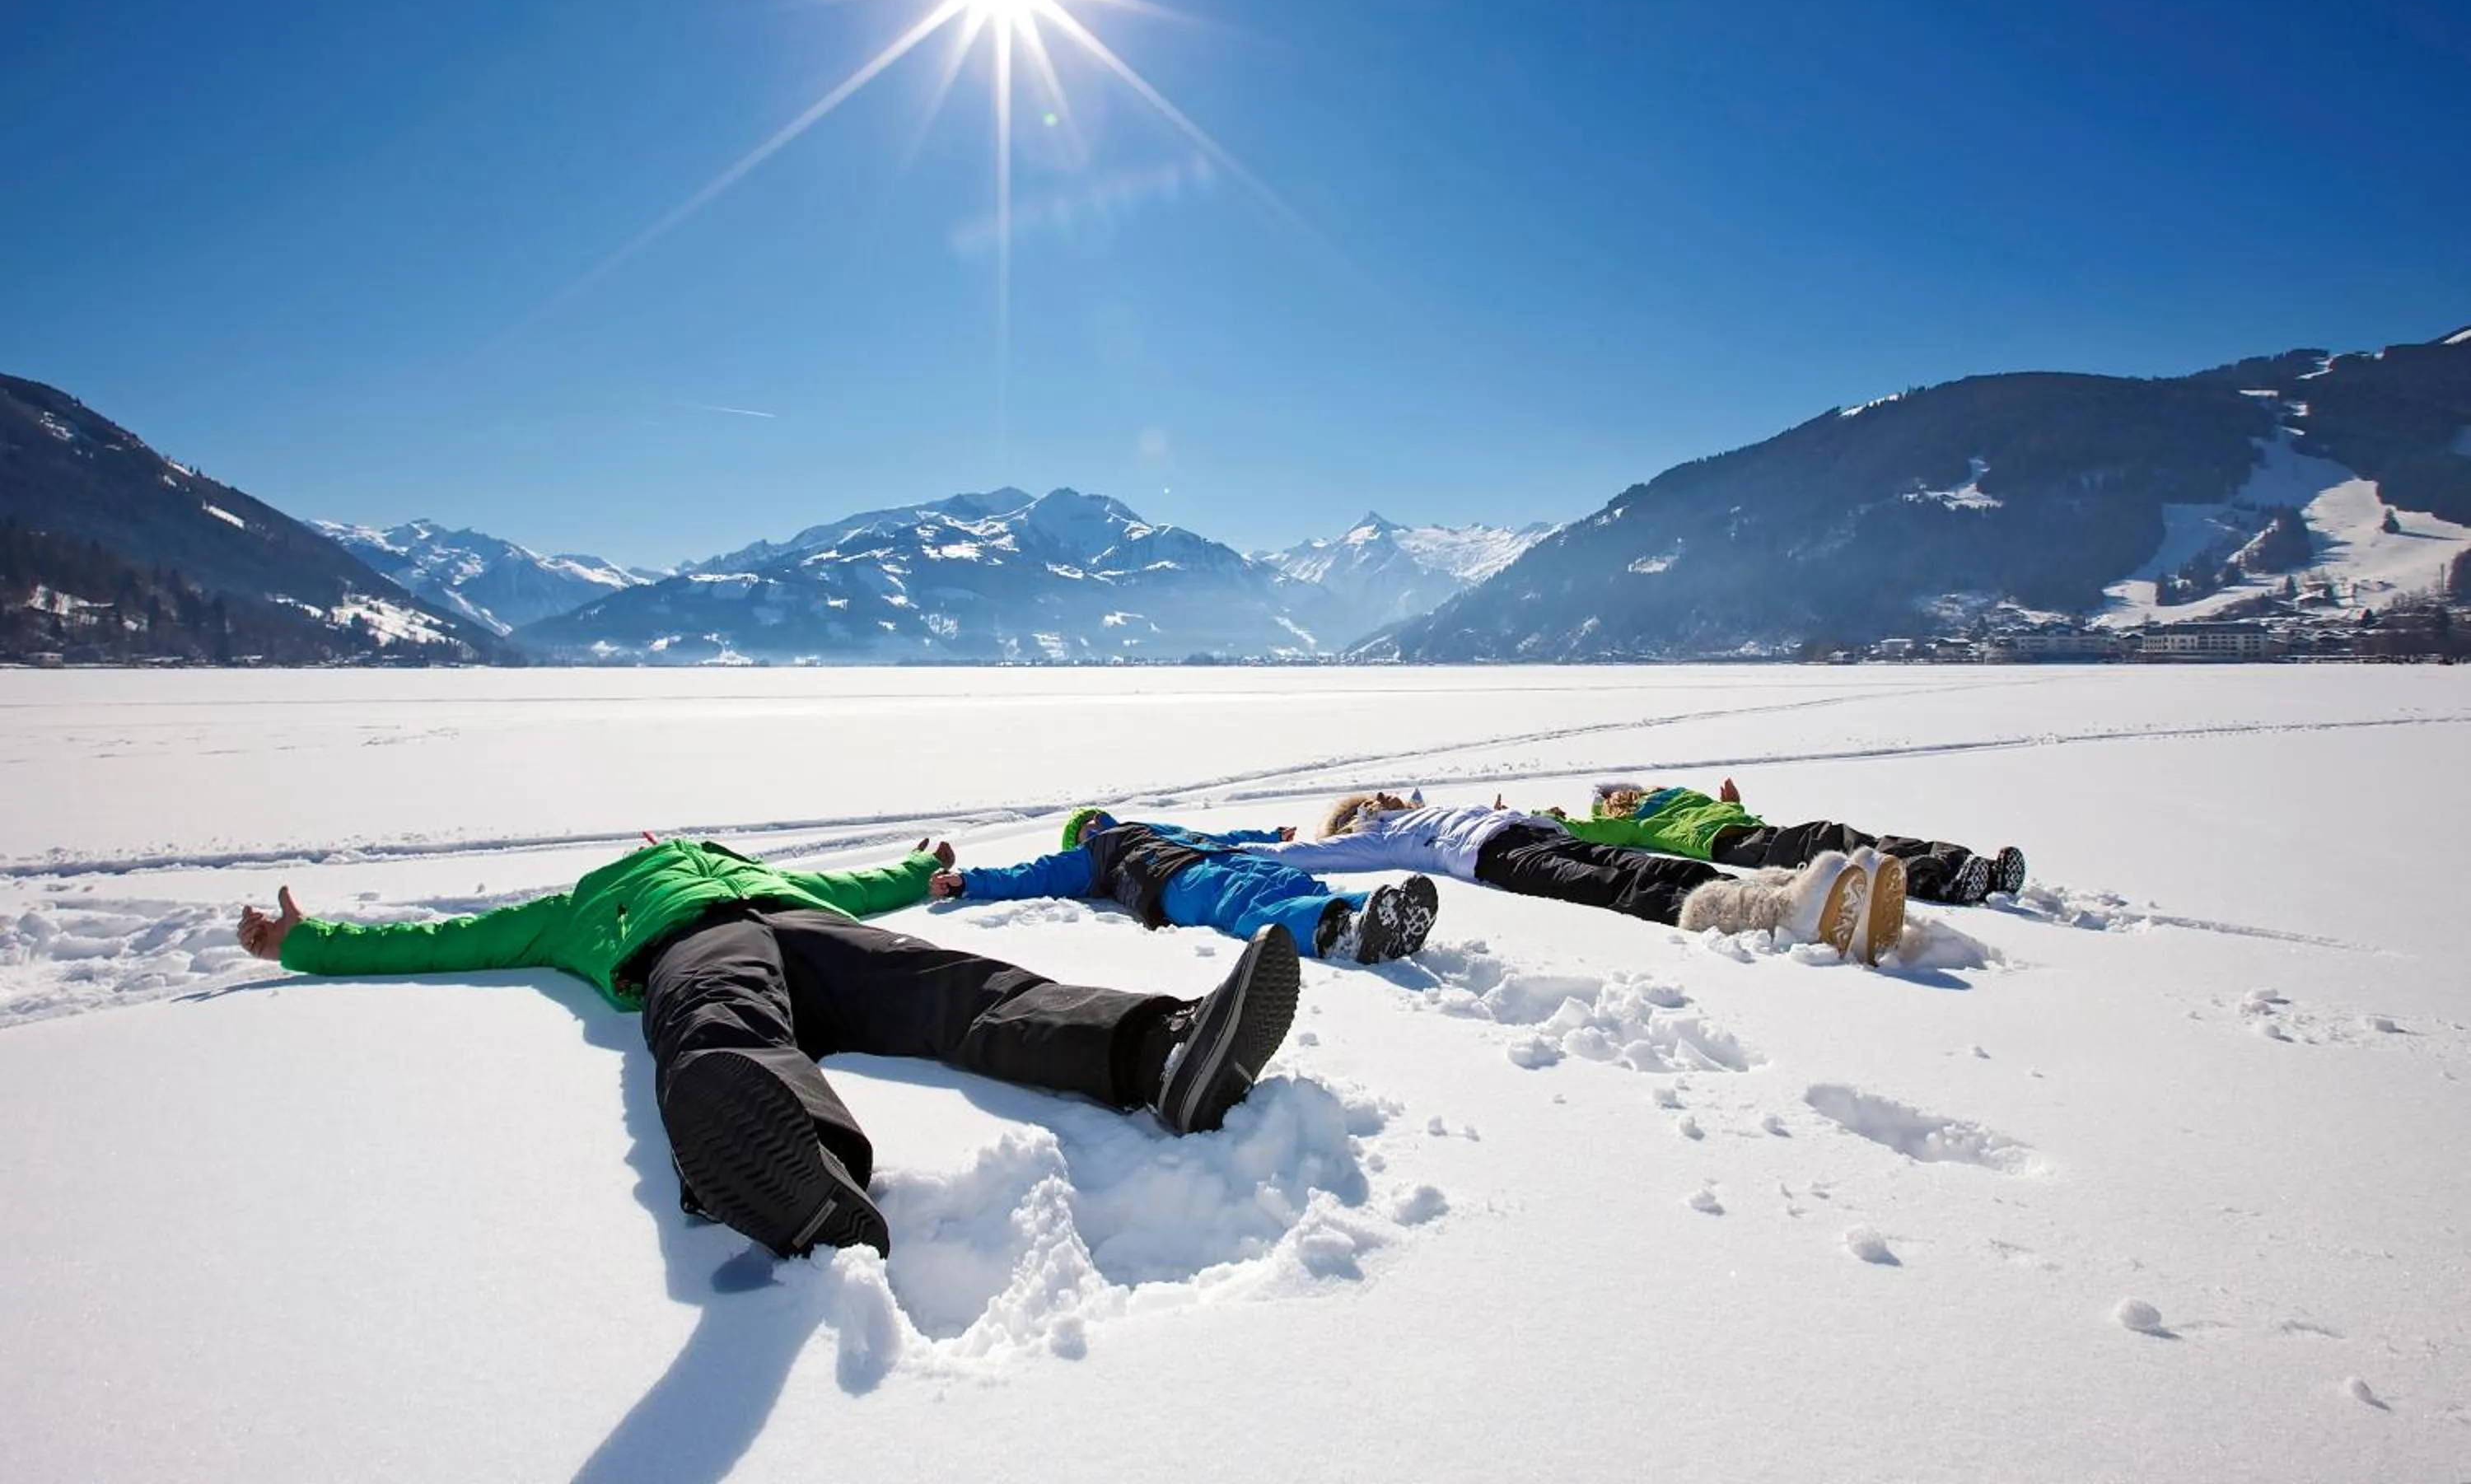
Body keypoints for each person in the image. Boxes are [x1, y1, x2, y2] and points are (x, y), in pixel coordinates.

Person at [236, 835, 1301, 1262]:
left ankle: (1161, 1052)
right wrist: (310, 941)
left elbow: (856, 890)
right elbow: (450, 939)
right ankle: (803, 1179)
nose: (658, 846)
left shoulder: (748, 862)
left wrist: (918, 870)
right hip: (691, 953)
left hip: (806, 931)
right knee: (718, 1031)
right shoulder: (576, 906)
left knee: (956, 984)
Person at [1237, 792, 1889, 960]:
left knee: (1662, 864)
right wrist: (1248, 854)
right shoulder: (1376, 836)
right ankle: (1775, 917)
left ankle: (1794, 891)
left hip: (1535, 836)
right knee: (1625, 889)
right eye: (1369, 805)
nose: (1384, 802)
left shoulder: (1426, 808)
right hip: (1501, 862)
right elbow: (1317, 858)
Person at [931, 807, 1441, 964]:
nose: (1097, 826)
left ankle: (1377, 911)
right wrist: (967, 882)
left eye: (1098, 820)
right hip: (1177, 882)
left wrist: (1265, 834)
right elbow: (1031, 875)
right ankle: (1338, 933)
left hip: (1217, 855)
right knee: (1244, 904)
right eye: (1087, 827)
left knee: (1290, 878)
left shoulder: (1155, 829)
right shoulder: (1094, 858)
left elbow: (1219, 834)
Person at [1561, 779, 2026, 907]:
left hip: (1753, 834)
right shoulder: (1629, 826)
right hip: (1737, 848)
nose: (1623, 797)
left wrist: (1735, 805)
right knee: (1844, 851)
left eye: (1622, 792)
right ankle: (1941, 879)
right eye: (1612, 797)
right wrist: (1542, 817)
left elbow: (1726, 815)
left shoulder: (1676, 795)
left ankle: (1963, 864)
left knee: (1849, 840)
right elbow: (1584, 832)